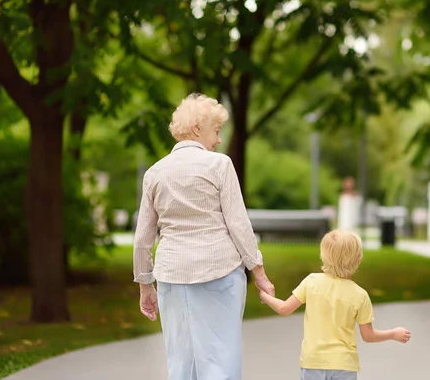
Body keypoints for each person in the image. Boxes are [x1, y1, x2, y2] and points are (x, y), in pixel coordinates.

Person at [133, 93, 275, 380]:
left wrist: (145, 286)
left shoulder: (154, 173)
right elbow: (239, 225)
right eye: (217, 130)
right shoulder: (219, 165)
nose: (219, 139)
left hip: (172, 278)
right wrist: (258, 273)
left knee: (181, 365)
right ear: (198, 127)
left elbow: (142, 240)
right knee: (221, 363)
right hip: (218, 273)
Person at [258, 229, 411, 380]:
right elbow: (368, 336)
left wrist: (265, 296)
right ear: (358, 260)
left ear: (323, 256)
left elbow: (284, 309)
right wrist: (393, 333)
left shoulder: (312, 282)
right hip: (344, 364)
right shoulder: (360, 295)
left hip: (313, 361)